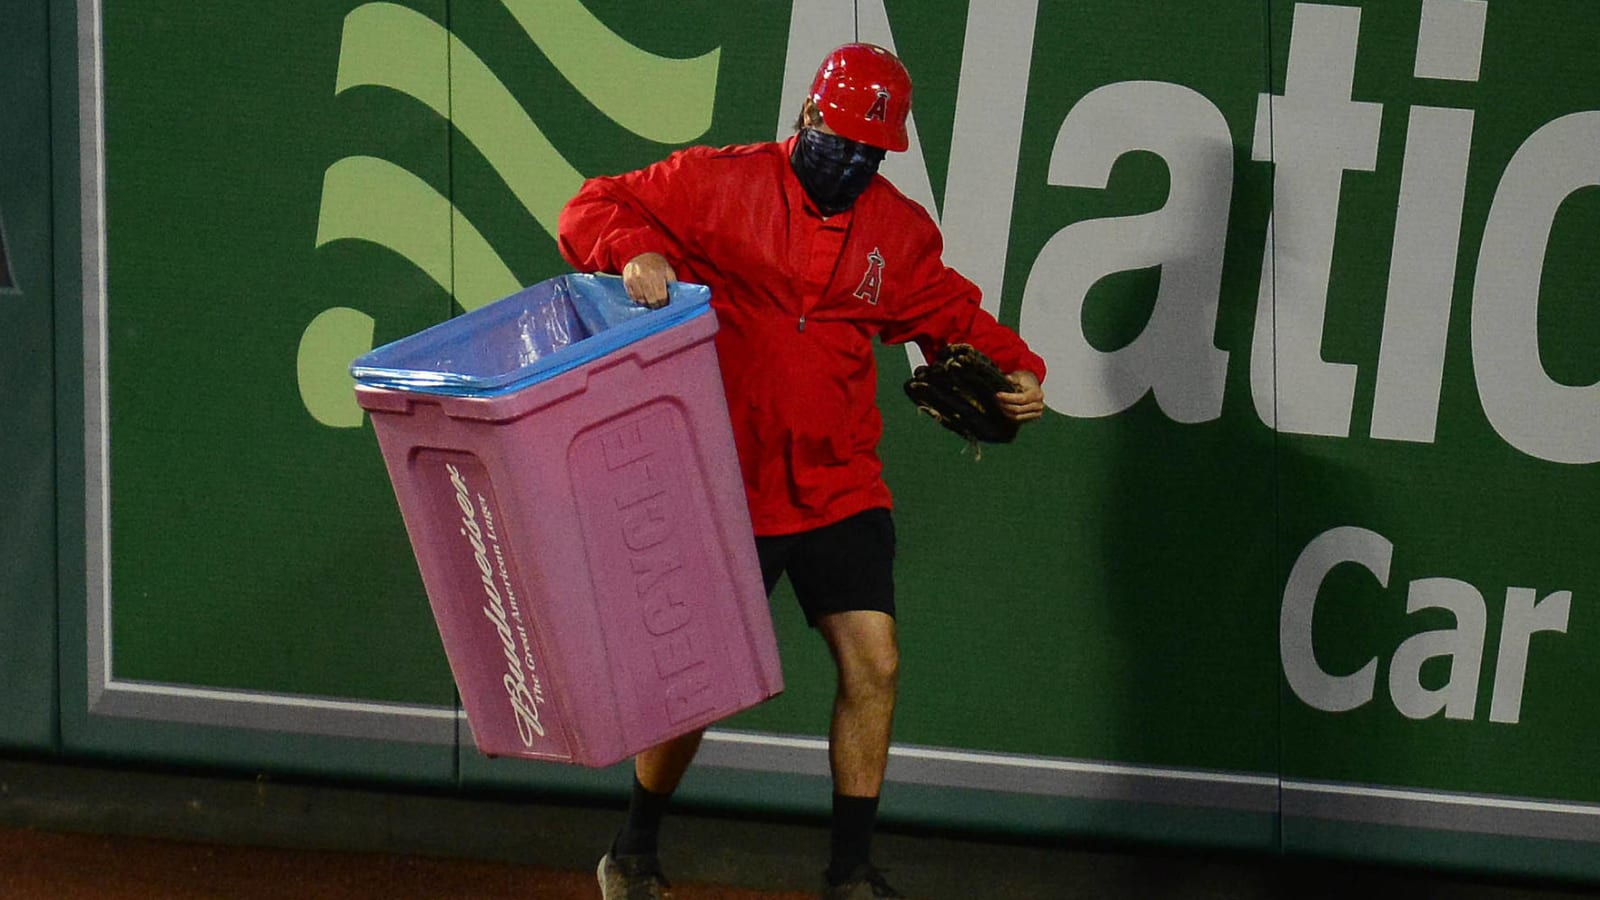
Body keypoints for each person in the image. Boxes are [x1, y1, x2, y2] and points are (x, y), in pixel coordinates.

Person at [558, 42, 1046, 900]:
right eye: (846, 140)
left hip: (838, 481)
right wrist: (633, 248)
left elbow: (948, 310)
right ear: (811, 116)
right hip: (725, 482)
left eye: (874, 151)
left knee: (876, 663)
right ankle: (633, 849)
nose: (857, 161)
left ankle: (849, 873)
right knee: (700, 687)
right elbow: (591, 204)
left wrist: (1019, 370)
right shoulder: (720, 182)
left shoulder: (896, 230)